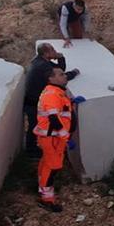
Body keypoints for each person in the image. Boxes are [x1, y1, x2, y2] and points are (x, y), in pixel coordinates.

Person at [23, 43, 79, 157]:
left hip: (33, 100)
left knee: (36, 126)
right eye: (52, 50)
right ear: (46, 53)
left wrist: (60, 57)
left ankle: (34, 150)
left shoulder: (40, 61)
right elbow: (60, 76)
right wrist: (74, 73)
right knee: (35, 127)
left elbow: (59, 70)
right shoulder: (43, 66)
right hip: (34, 103)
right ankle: (32, 152)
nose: (55, 51)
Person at [33, 66, 75, 212]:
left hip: (51, 137)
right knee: (53, 168)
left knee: (46, 164)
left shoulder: (56, 92)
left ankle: (41, 188)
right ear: (51, 78)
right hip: (52, 138)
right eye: (61, 74)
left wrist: (73, 103)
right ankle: (47, 199)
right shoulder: (52, 94)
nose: (65, 76)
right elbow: (54, 119)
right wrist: (66, 137)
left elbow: (61, 110)